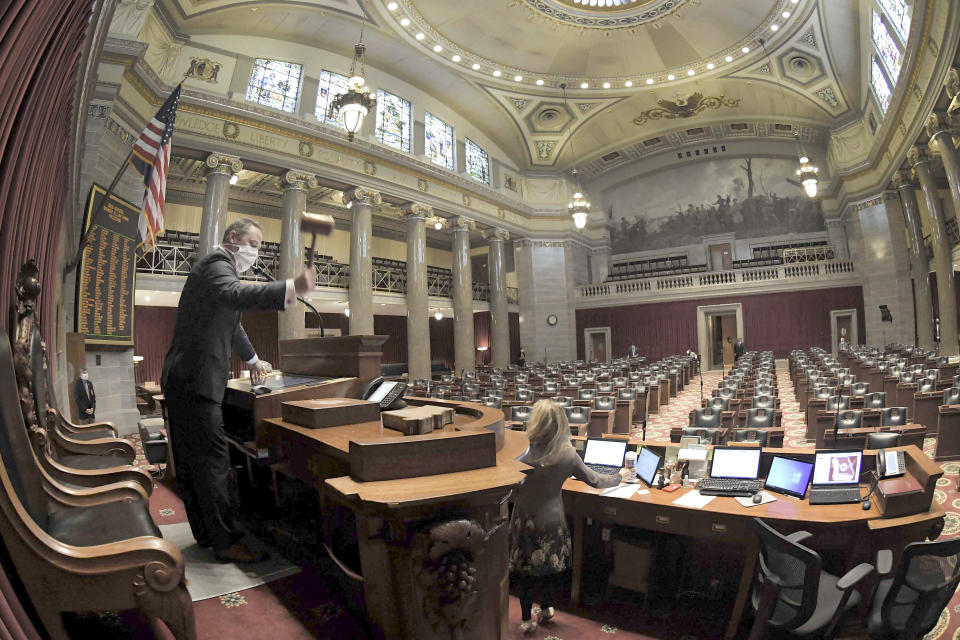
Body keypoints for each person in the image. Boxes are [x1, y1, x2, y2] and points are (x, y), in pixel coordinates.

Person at [161, 218, 316, 563]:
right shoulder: (217, 265)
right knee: (212, 464)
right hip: (195, 381)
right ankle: (226, 541)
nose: (255, 253)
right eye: (254, 244)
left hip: (186, 379)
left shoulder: (217, 271)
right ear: (233, 238)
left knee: (194, 464)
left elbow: (233, 325)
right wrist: (289, 288)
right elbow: (233, 296)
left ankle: (207, 534)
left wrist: (254, 359)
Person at [509, 400, 619, 633]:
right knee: (550, 567)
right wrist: (621, 476)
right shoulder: (567, 454)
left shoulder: (520, 450)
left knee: (525, 570)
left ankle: (527, 620)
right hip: (551, 520)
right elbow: (596, 481)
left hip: (524, 518)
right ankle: (548, 608)